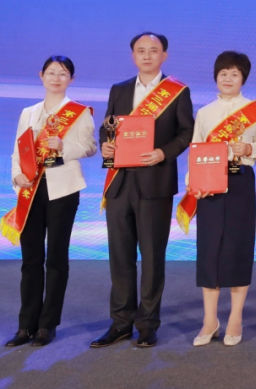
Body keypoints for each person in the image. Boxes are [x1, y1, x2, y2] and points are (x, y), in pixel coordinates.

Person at [92, 32, 194, 349]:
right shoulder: (119, 89)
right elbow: (107, 127)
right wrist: (106, 145)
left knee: (151, 257)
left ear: (164, 55)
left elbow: (186, 131)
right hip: (120, 183)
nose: (147, 55)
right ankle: (121, 323)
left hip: (155, 182)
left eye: (153, 50)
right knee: (120, 256)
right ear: (133, 55)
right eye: (140, 50)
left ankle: (147, 324)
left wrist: (163, 153)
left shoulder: (177, 91)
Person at [3, 55, 97, 348]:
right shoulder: (28, 112)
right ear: (41, 75)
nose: (57, 78)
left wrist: (64, 146)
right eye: (52, 72)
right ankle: (25, 325)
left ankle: (47, 325)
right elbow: (17, 150)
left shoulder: (79, 112)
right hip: (31, 189)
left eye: (63, 73)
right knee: (31, 259)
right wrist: (17, 175)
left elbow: (91, 147)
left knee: (56, 257)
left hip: (63, 189)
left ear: (72, 79)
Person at [186, 51, 256, 348]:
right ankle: (210, 320)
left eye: (234, 74)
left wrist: (249, 150)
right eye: (223, 73)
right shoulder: (205, 112)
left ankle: (235, 317)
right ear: (216, 77)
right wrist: (194, 183)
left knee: (238, 247)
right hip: (210, 183)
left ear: (243, 78)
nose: (228, 78)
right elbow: (196, 148)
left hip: (240, 182)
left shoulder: (254, 111)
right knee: (209, 249)